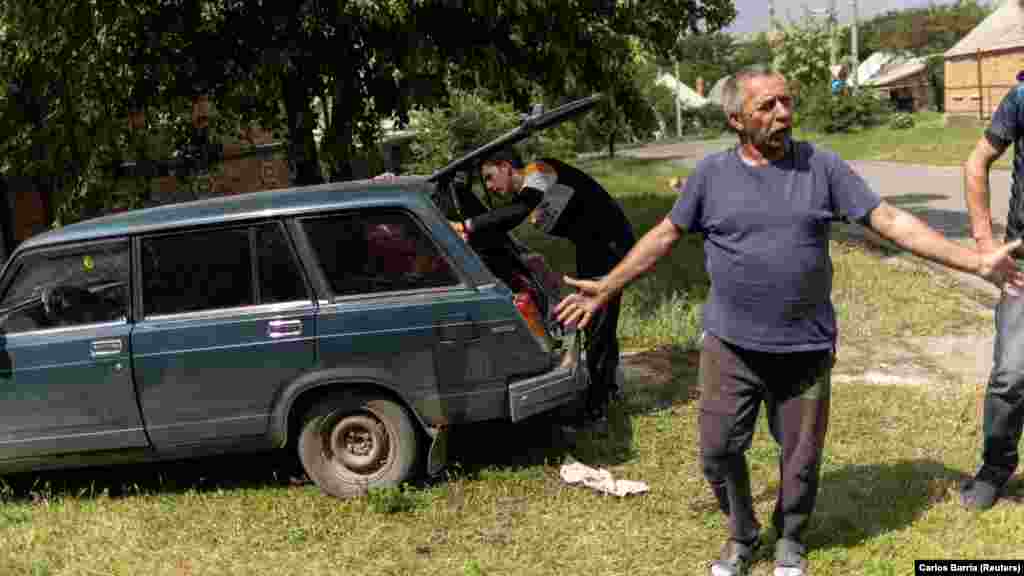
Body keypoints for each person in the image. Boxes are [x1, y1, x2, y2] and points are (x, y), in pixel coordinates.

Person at [554, 65, 1024, 576]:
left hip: (805, 347)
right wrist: (607, 285)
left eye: (786, 102)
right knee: (717, 450)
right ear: (737, 120)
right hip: (730, 346)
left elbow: (889, 220)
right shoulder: (711, 176)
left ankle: (791, 538)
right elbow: (665, 235)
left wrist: (973, 260)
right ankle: (742, 535)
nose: (783, 114)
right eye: (768, 106)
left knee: (799, 460)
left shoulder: (820, 167)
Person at [458, 147, 636, 425]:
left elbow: (518, 210)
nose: (491, 188)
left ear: (506, 166)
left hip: (610, 244)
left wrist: (467, 225)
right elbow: (511, 219)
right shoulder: (531, 194)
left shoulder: (540, 171)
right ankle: (606, 390)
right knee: (600, 322)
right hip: (592, 247)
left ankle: (597, 406)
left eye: (491, 177)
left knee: (597, 322)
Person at [962, 78, 1024, 511]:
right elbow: (977, 162)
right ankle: (995, 468)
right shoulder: (1022, 97)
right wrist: (985, 243)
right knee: (1011, 375)